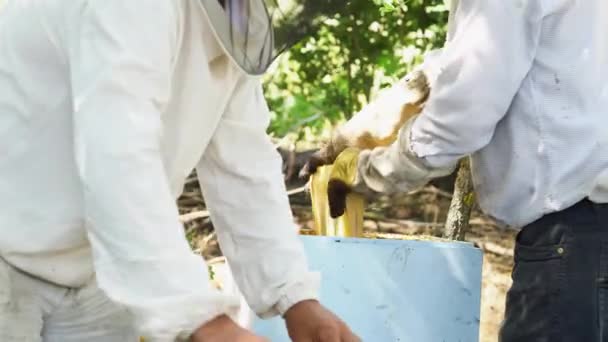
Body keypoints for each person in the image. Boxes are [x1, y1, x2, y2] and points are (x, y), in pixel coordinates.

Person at [0, 0, 359, 341]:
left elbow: (244, 165)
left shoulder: (234, 17)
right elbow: (118, 154)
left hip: (95, 269)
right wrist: (200, 317)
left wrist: (295, 296)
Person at [322, 0, 608, 341]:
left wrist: (365, 174)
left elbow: (455, 125)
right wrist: (367, 123)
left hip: (576, 243)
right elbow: (481, 57)